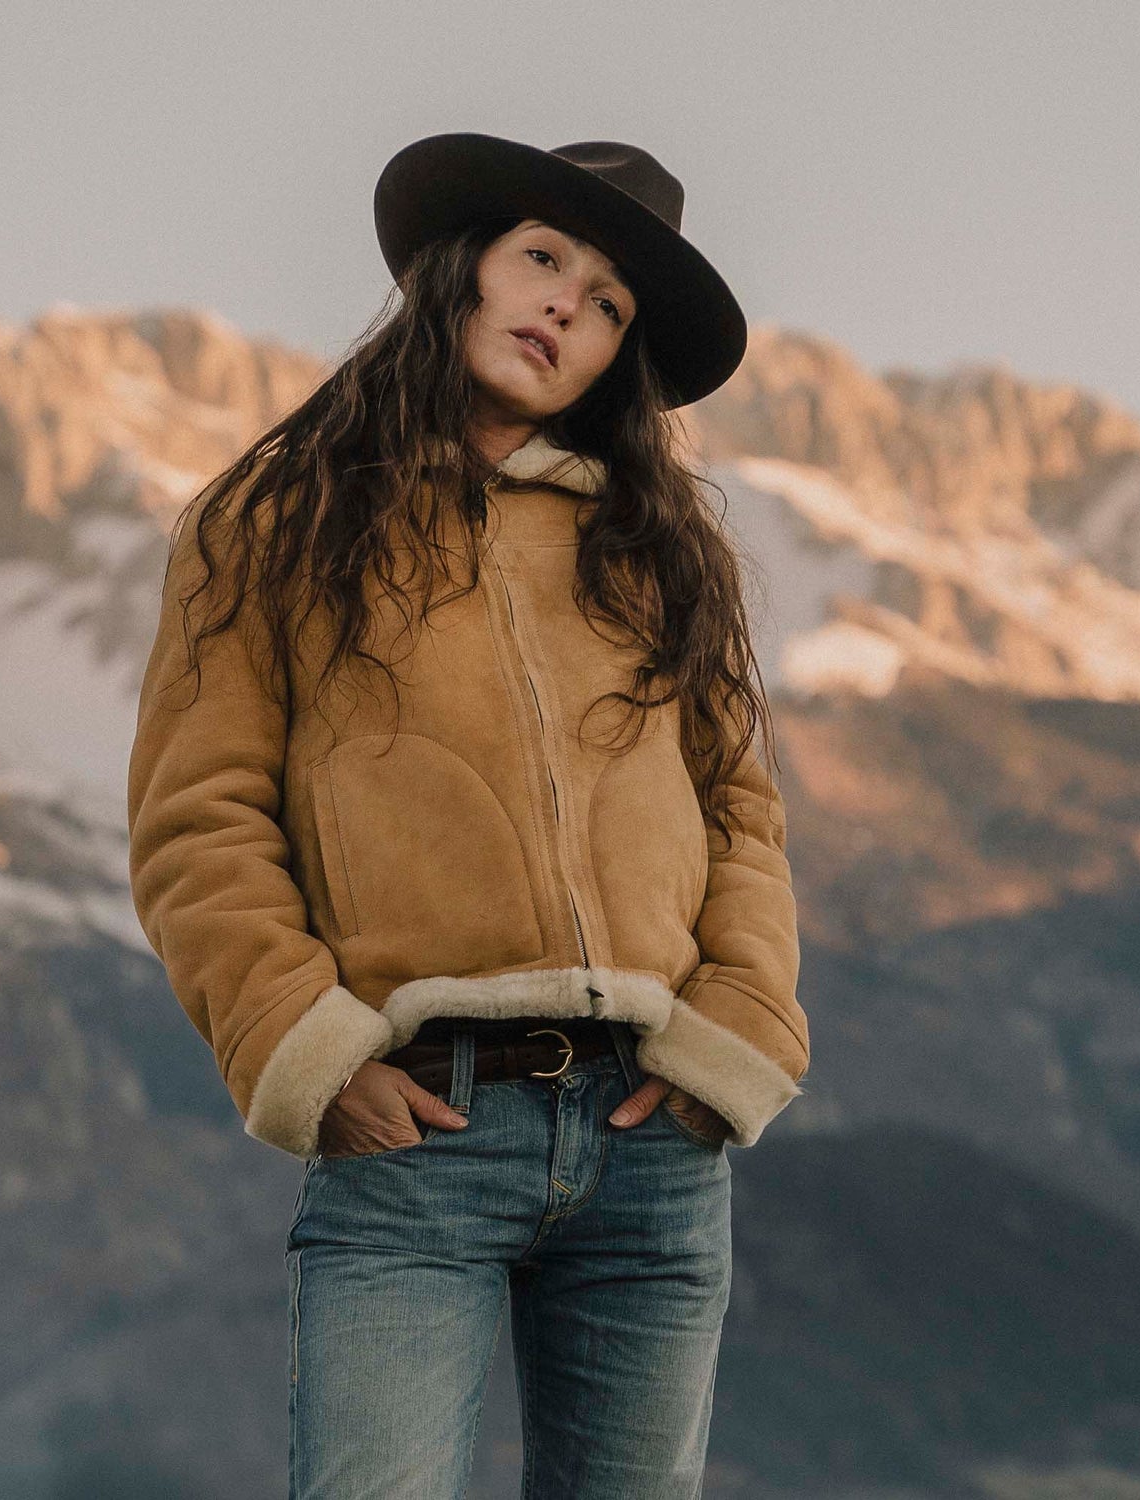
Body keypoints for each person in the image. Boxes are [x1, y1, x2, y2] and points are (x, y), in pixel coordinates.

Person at [127, 131, 810, 1499]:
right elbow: (199, 821)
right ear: (465, 270)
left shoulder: (663, 551)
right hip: (417, 1136)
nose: (567, 304)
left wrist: (733, 1024)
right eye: (544, 259)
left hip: (652, 1148)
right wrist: (309, 1051)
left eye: (610, 302)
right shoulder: (270, 522)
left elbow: (740, 812)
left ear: (622, 356)